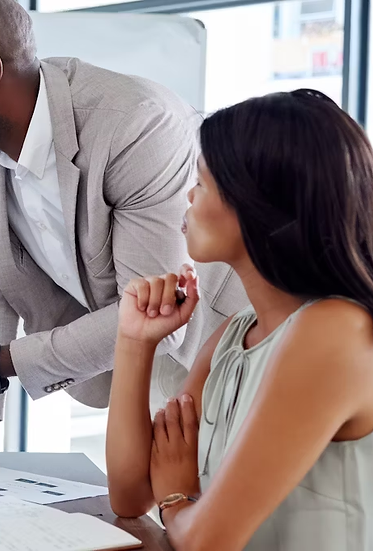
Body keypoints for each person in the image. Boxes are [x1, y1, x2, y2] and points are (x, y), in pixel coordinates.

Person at [0, 0, 246, 473]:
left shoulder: (135, 124)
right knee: (160, 516)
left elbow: (154, 310)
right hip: (136, 366)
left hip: (227, 348)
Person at [106, 90, 373, 550]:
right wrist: (136, 341)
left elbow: (208, 540)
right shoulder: (233, 337)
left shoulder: (335, 330)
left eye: (202, 181)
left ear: (257, 205)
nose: (188, 196)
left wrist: (175, 499)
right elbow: (129, 496)